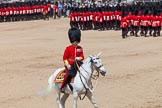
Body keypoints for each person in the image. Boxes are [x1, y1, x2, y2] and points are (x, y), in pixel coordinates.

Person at [60, 27, 84, 93]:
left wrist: (78, 58)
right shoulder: (68, 48)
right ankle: (62, 87)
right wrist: (67, 65)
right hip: (70, 65)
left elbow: (82, 57)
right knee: (68, 74)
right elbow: (65, 58)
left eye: (76, 41)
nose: (75, 43)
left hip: (78, 64)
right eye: (74, 41)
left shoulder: (80, 48)